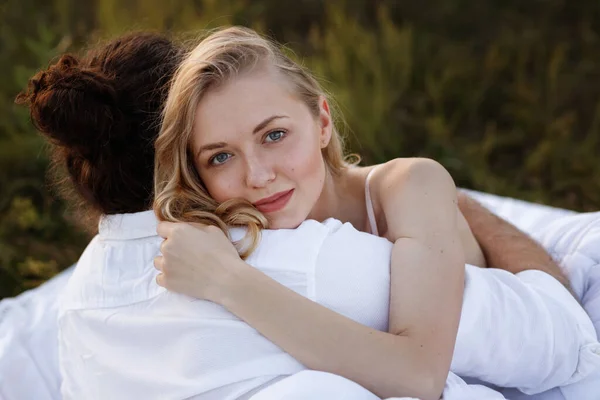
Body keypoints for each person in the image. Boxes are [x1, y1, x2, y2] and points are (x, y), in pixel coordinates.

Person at [17, 29, 597, 400]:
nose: (257, 176)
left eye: (274, 134)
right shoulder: (247, 224)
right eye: (220, 155)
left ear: (322, 121)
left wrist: (229, 282)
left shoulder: (408, 185)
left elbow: (419, 375)